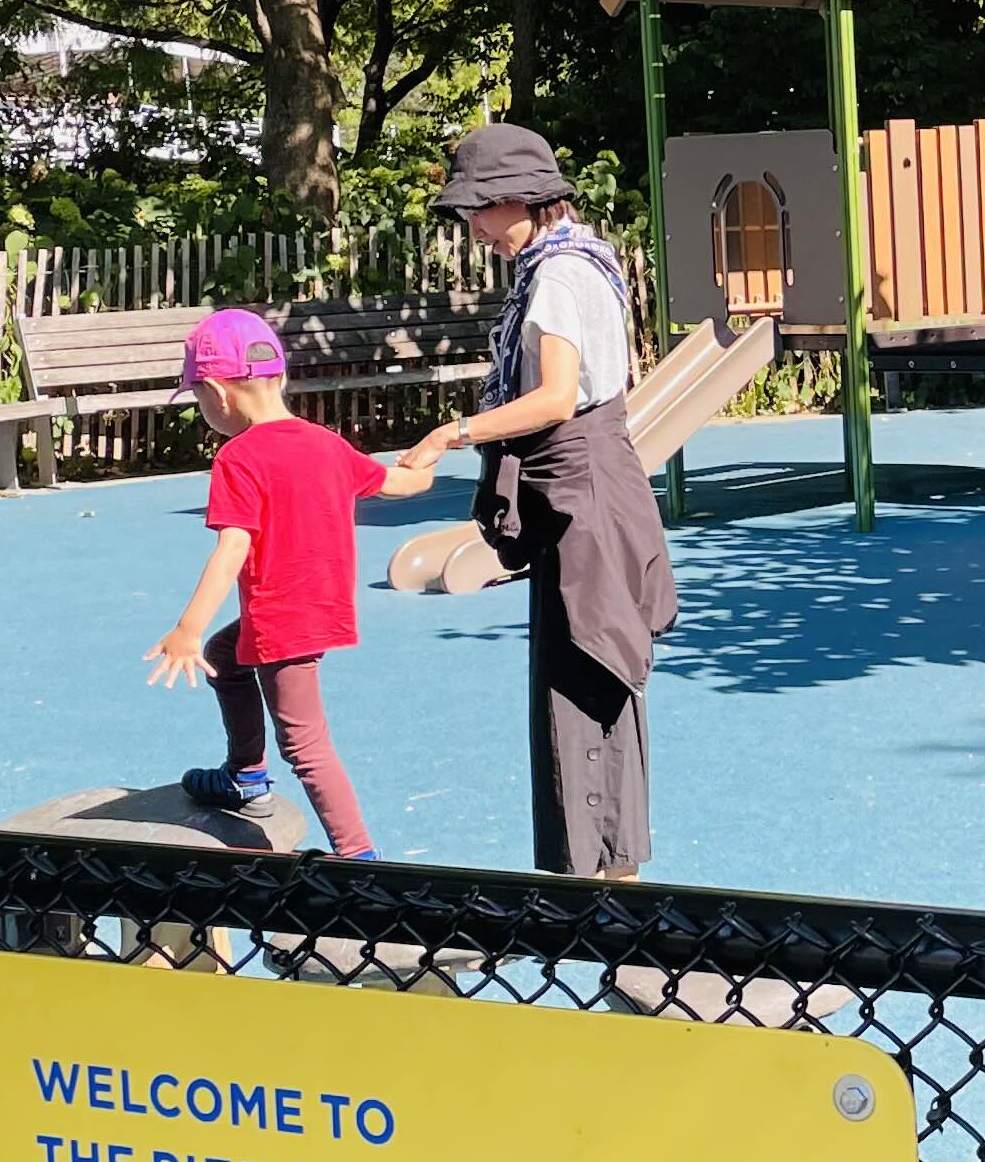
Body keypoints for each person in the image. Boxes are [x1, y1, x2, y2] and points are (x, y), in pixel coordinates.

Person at [402, 127, 675, 878]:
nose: (474, 230)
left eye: (479, 212)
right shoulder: (585, 257)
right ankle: (605, 875)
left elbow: (555, 397)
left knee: (583, 678)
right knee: (592, 672)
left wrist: (452, 432)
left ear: (519, 199)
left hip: (580, 489)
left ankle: (600, 882)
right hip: (590, 484)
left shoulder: (556, 275)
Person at [142, 307, 425, 854]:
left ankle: (360, 857)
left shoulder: (238, 458)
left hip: (282, 620)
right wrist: (427, 463)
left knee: (305, 743)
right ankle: (246, 774)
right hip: (322, 604)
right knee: (226, 658)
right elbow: (397, 483)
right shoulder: (324, 442)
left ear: (218, 394)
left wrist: (188, 629)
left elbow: (232, 548)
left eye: (198, 398)